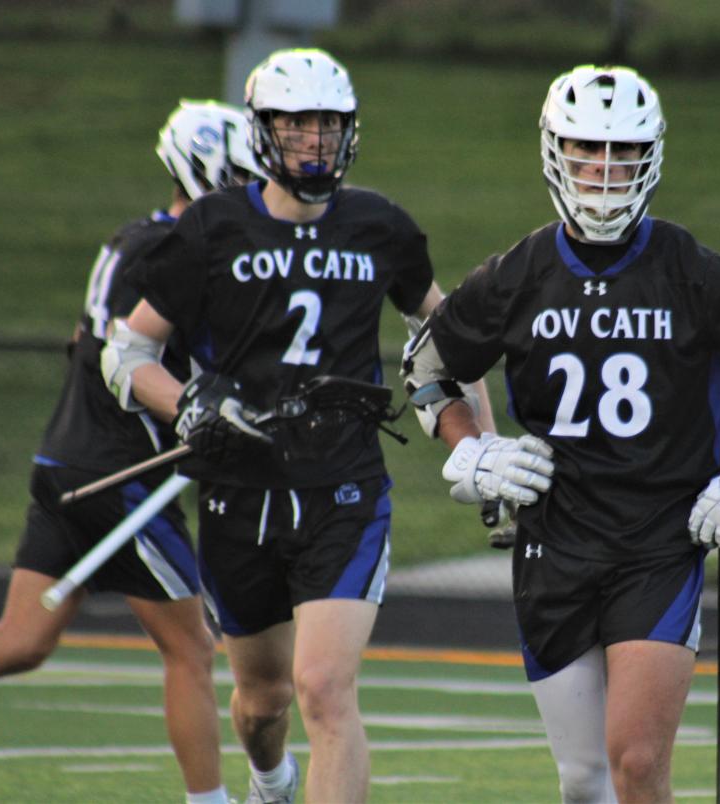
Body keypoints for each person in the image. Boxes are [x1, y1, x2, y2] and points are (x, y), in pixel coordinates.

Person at [401, 64, 720, 803]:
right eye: (588, 151)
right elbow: (428, 367)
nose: (605, 171)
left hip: (658, 540)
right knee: (583, 780)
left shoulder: (690, 271)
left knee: (638, 764)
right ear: (557, 153)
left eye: (624, 155)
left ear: (652, 158)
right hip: (553, 541)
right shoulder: (520, 274)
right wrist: (469, 449)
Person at [99, 48, 493, 804]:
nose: (315, 139)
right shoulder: (212, 228)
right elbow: (128, 351)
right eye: (298, 123)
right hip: (238, 497)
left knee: (323, 689)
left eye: (329, 124)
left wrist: (480, 442)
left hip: (342, 491)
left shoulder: (381, 227)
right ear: (264, 131)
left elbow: (452, 340)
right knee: (264, 700)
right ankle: (270, 779)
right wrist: (186, 403)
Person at [0, 99, 262, 804]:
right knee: (192, 647)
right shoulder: (173, 249)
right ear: (205, 171)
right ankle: (210, 803)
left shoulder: (134, 239)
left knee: (21, 639)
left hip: (68, 459)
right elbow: (130, 358)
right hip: (121, 472)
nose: (252, 194)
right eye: (241, 177)